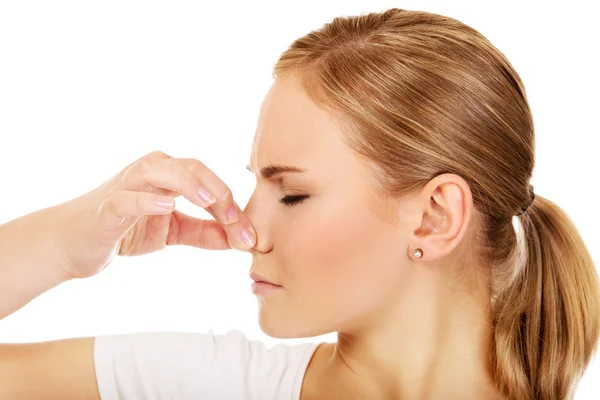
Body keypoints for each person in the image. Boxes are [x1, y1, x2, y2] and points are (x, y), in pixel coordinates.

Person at [0, 7, 598, 400]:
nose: (246, 228)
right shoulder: (211, 385)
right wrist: (60, 247)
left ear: (436, 214)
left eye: (292, 193)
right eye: (257, 184)